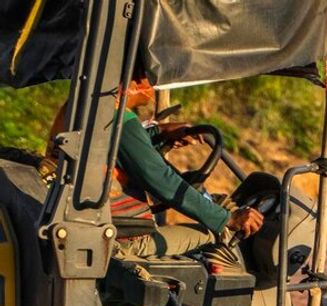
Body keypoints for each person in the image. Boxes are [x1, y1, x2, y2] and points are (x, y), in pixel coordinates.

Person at [48, 77, 264, 271]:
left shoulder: (87, 107)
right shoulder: (117, 119)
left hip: (87, 225)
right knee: (213, 232)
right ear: (136, 81)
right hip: (120, 239)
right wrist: (227, 219)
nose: (154, 87)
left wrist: (159, 133)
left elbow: (119, 148)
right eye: (151, 79)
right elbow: (162, 181)